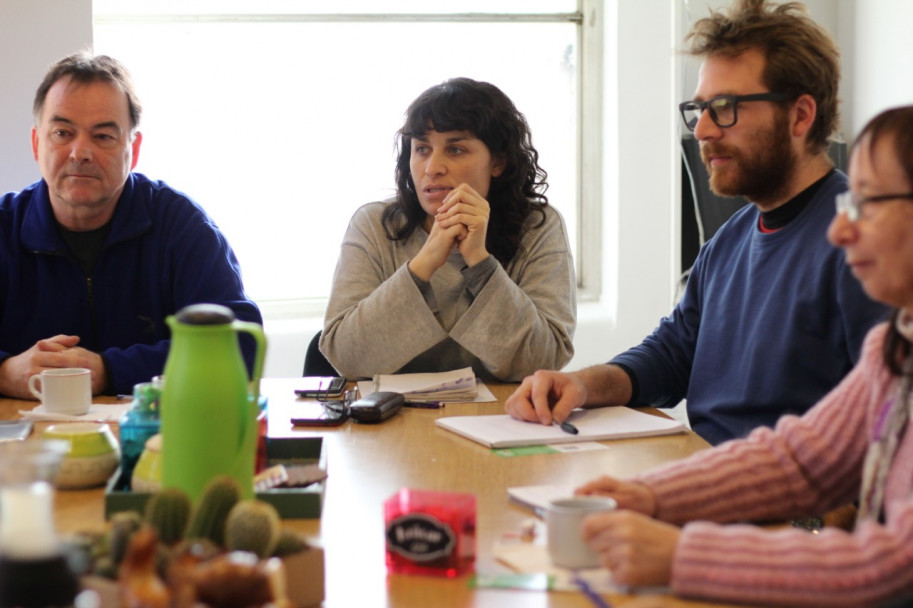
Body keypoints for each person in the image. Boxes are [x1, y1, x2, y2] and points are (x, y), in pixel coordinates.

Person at [572, 104, 913, 607]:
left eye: (866, 203)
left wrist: (683, 555)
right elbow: (800, 462)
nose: (840, 231)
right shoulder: (895, 348)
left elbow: (893, 565)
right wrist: (650, 495)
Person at [505, 0, 887, 445]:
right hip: (708, 471)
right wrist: (584, 385)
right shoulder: (731, 239)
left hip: (788, 502)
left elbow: (886, 426)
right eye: (699, 109)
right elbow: (674, 354)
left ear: (801, 115)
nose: (702, 130)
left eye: (725, 107)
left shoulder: (866, 242)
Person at [0, 52, 261, 398]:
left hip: (155, 440)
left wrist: (109, 370)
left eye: (103, 136)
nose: (80, 152)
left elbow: (238, 345)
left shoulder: (180, 227)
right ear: (37, 143)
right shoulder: (4, 227)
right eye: (63, 133)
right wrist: (4, 372)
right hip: (27, 447)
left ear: (133, 150)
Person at [320, 77, 576, 381]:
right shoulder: (375, 225)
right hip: (391, 420)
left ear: (498, 161)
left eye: (455, 150)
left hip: (500, 420)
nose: (432, 168)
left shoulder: (538, 227)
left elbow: (543, 361)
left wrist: (480, 262)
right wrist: (425, 262)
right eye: (422, 149)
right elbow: (346, 357)